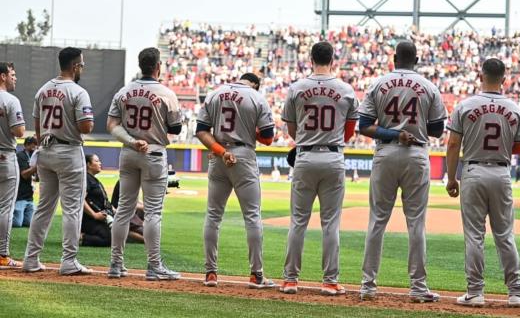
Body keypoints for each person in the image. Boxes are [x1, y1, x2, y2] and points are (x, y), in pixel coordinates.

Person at [358, 41, 446, 303]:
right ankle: (418, 289)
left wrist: (393, 132)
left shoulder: (378, 83)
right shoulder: (429, 86)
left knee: (377, 221)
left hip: (385, 153)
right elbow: (438, 130)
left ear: (394, 58)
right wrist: (410, 127)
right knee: (416, 223)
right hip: (416, 154)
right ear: (416, 60)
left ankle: (367, 286)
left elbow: (364, 126)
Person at [444, 58, 520, 308]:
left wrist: (452, 177)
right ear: (504, 79)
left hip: (473, 170)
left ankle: (475, 292)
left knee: (474, 235)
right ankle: (515, 292)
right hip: (501, 172)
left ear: (480, 76)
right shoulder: (514, 108)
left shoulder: (465, 105)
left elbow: (452, 144)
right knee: (505, 235)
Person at [279, 41, 359, 296]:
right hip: (333, 156)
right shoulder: (345, 89)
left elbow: (292, 129)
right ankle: (329, 281)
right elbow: (349, 131)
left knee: (298, 222)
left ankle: (290, 279)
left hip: (305, 155)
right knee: (331, 224)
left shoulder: (297, 88)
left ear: (310, 59)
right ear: (332, 60)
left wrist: (307, 138)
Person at [107, 47, 182, 280]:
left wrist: (131, 140)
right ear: (158, 65)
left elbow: (112, 124)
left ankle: (116, 265)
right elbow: (176, 128)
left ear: (141, 65)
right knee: (153, 213)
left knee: (123, 210)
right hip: (154, 153)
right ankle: (153, 266)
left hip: (128, 152)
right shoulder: (166, 93)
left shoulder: (123, 91)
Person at [196, 73, 276, 289]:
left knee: (213, 215)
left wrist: (221, 152)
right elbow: (268, 138)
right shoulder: (256, 98)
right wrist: (250, 129)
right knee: (252, 216)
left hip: (218, 155)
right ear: (256, 85)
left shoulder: (214, 94)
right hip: (243, 155)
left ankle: (210, 273)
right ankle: (256, 275)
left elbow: (201, 131)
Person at [24, 48, 95, 275]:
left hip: (45, 150)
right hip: (69, 151)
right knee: (72, 209)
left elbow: (36, 126)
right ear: (75, 66)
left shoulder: (43, 89)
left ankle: (31, 258)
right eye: (81, 65)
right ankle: (68, 261)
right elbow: (86, 127)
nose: (82, 68)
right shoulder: (78, 92)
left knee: (43, 208)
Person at [81, 154, 144, 247]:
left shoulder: (93, 180)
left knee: (116, 236)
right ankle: (82, 237)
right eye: (97, 161)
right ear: (88, 165)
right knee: (110, 239)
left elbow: (105, 202)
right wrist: (94, 215)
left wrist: (115, 211)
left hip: (105, 216)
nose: (100, 163)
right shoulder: (86, 179)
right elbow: (80, 200)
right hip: (91, 220)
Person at [0, 62, 25, 268]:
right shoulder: (10, 100)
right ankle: (2, 254)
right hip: (5, 157)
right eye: (12, 74)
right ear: (2, 77)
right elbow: (19, 132)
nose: (15, 78)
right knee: (5, 208)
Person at [13, 137, 37, 228]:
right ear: (26, 145)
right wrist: (37, 166)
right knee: (17, 223)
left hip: (29, 197)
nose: (34, 148)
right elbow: (24, 175)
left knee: (30, 223)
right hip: (20, 196)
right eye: (33, 145)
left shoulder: (33, 156)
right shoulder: (20, 156)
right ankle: (6, 214)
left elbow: (37, 178)